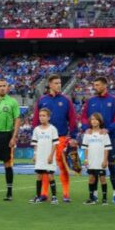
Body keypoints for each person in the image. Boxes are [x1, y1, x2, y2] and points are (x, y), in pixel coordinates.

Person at [32, 74, 78, 203]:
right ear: (50, 85)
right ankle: (44, 194)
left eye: (59, 83)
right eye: (56, 83)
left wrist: (73, 136)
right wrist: (35, 135)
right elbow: (36, 120)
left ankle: (66, 194)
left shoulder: (66, 100)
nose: (59, 85)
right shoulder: (42, 100)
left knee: (62, 166)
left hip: (61, 138)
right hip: (44, 140)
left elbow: (73, 119)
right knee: (46, 168)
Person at [80, 77, 115, 204]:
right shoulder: (91, 101)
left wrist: (108, 129)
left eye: (98, 85)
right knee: (94, 166)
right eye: (94, 85)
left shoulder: (114, 101)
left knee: (111, 165)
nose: (95, 87)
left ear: (105, 85)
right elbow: (83, 117)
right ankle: (94, 194)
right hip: (93, 139)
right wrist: (86, 128)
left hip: (108, 137)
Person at [30, 108, 60, 205]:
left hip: (49, 157)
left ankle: (54, 197)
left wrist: (51, 156)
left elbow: (55, 144)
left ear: (48, 117)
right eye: (40, 115)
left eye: (44, 116)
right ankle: (37, 196)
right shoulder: (36, 129)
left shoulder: (53, 129)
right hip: (40, 157)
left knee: (50, 176)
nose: (41, 117)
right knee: (39, 176)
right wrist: (35, 155)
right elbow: (35, 144)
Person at [82, 113, 113, 205]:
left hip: (101, 161)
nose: (94, 121)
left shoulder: (104, 133)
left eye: (96, 119)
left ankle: (104, 199)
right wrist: (86, 159)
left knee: (102, 179)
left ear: (100, 121)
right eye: (92, 119)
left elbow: (106, 148)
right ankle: (92, 198)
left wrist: (105, 160)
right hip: (91, 161)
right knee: (91, 179)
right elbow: (86, 148)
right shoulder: (87, 133)